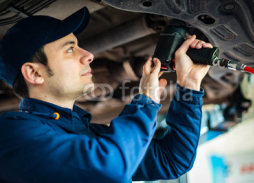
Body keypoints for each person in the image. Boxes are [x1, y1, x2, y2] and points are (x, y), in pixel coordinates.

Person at [0, 7, 212, 183]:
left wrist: (189, 85)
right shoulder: (9, 133)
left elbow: (171, 160)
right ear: (34, 73)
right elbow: (108, 168)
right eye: (70, 50)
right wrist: (145, 102)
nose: (89, 55)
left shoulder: (83, 131)